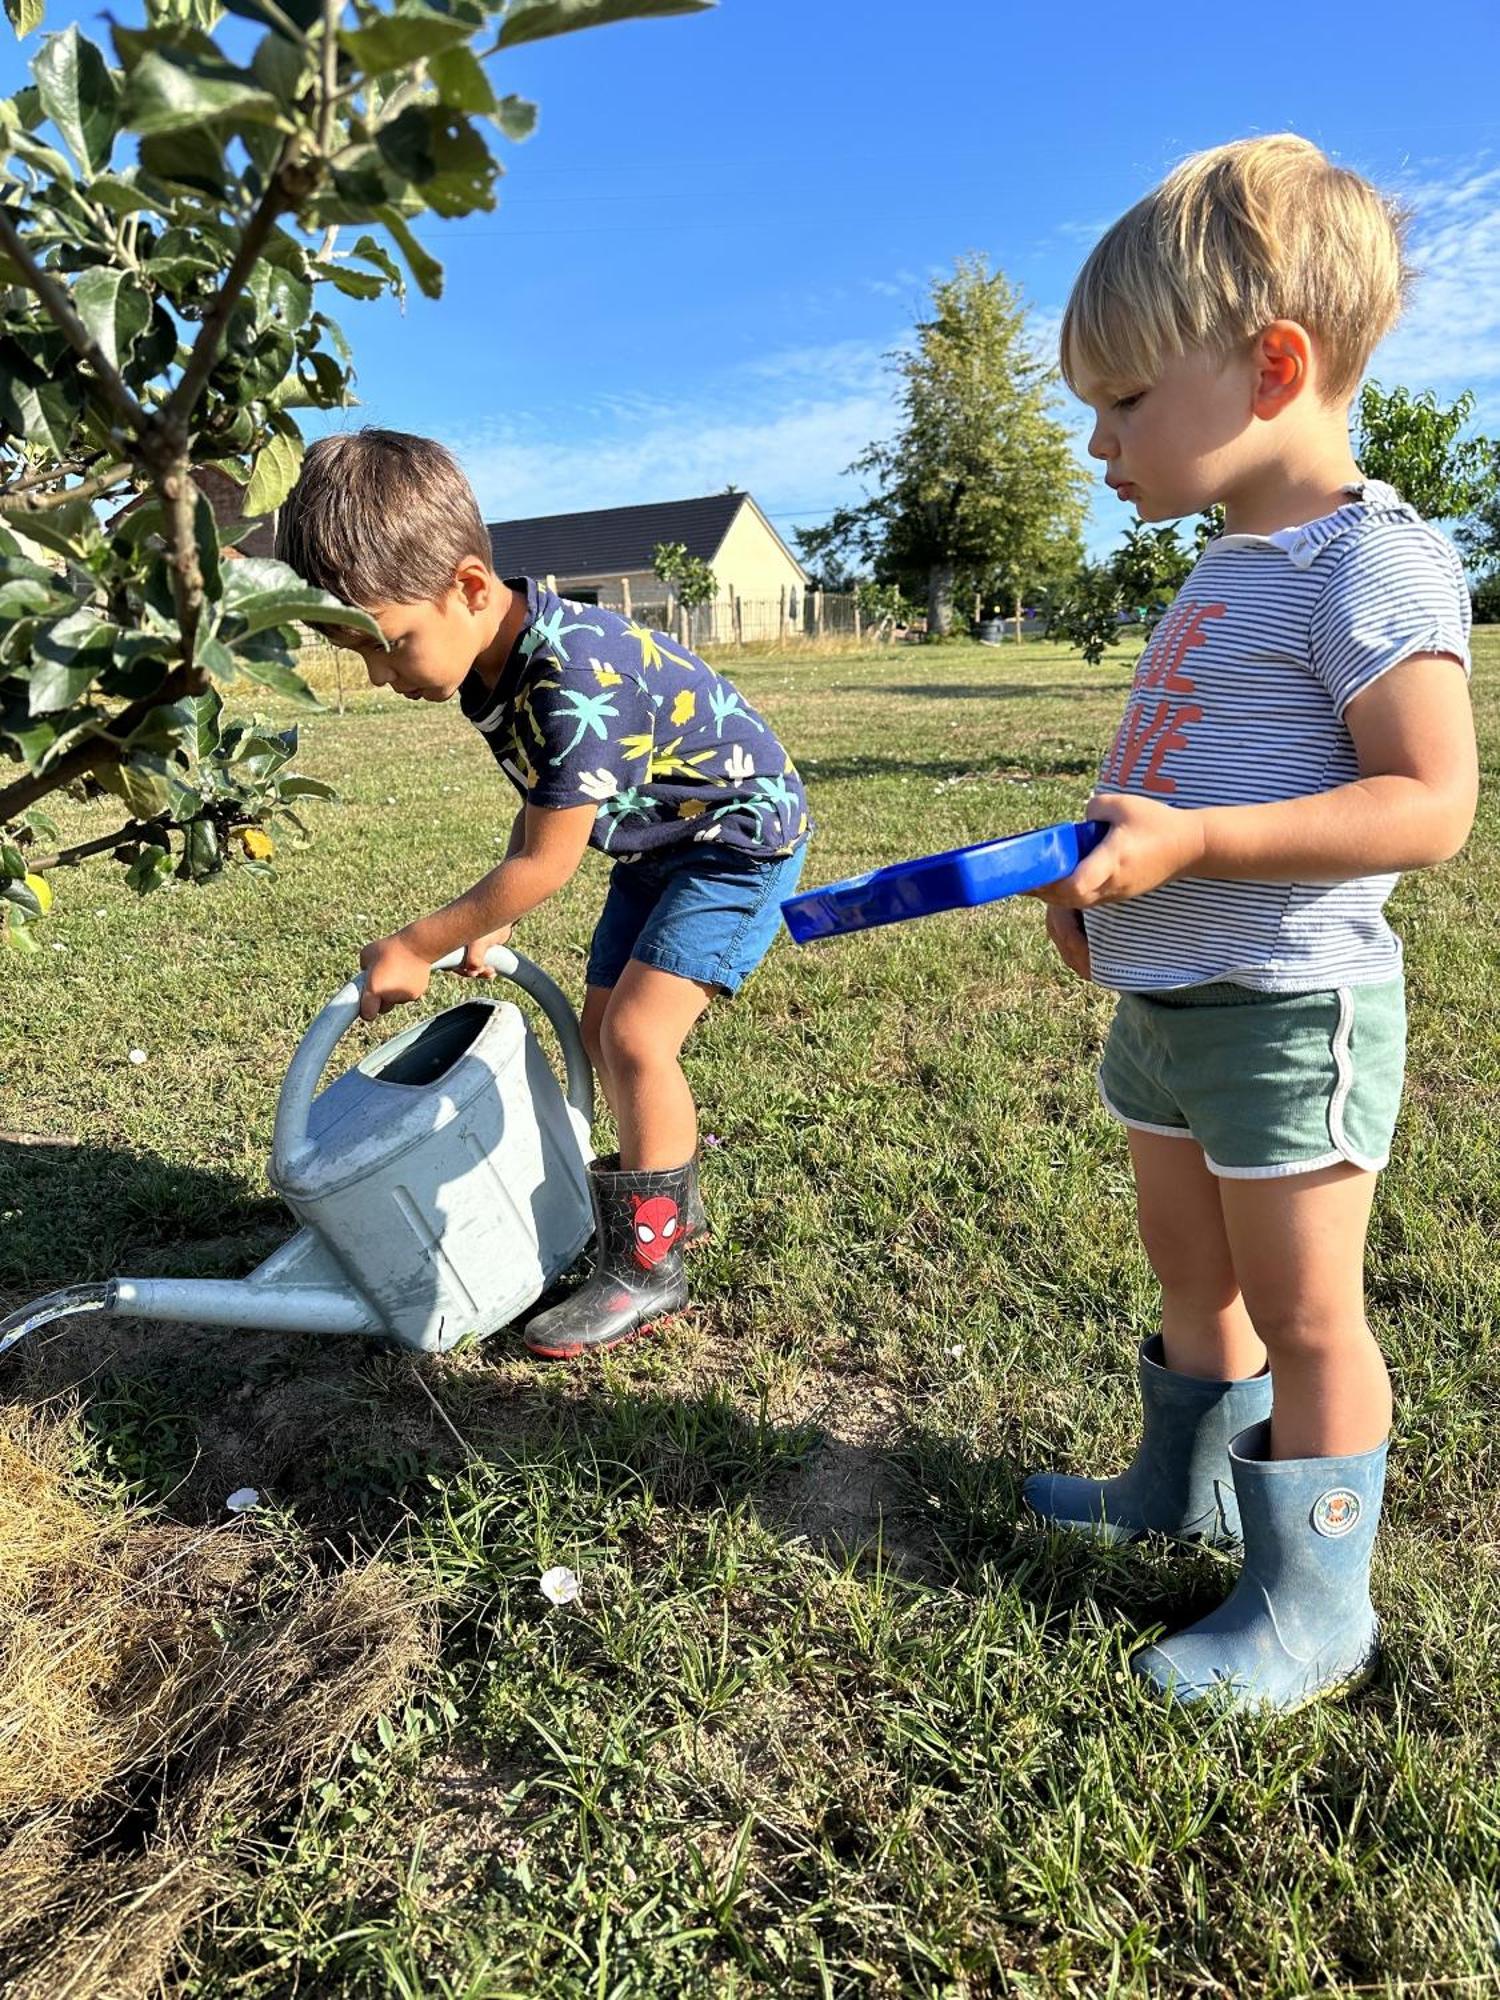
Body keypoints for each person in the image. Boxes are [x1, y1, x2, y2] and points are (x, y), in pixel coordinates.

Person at [1024, 135, 1477, 1712]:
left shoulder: (1375, 560)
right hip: (1172, 1008)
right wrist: (1109, 885)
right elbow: (1171, 772)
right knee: (1188, 1275)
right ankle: (1182, 1487)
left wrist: (1202, 841)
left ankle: (1312, 1605)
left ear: (1273, 366)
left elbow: (1429, 804)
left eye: (1125, 400)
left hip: (1291, 1011)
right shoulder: (1225, 566)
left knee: (1303, 1309)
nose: (1097, 440)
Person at [276, 431, 811, 1359]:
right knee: (604, 1020)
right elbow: (542, 804)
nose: (380, 675)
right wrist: (488, 925)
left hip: (737, 844)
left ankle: (649, 1270)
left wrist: (416, 941)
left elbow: (549, 862)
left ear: (471, 589)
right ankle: (645, 1214)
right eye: (358, 653)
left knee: (639, 1037)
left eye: (391, 643)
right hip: (660, 846)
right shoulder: (492, 669)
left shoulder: (571, 672)